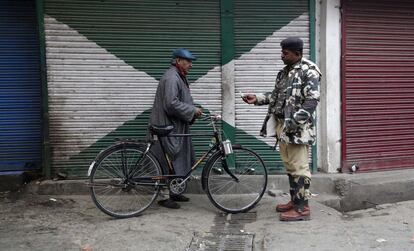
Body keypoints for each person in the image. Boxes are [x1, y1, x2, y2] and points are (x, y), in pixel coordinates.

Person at [242, 37, 321, 221]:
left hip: (297, 130)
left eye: (285, 53)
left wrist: (293, 122)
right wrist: (258, 98)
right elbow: (277, 97)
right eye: (282, 52)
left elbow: (311, 101)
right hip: (282, 128)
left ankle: (302, 209)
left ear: (297, 54)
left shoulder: (309, 71)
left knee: (299, 168)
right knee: (290, 166)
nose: (281, 56)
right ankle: (295, 201)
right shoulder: (284, 73)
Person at [149, 48, 203, 209]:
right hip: (165, 126)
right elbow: (171, 103)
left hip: (174, 126)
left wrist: (192, 111)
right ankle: (164, 196)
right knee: (164, 161)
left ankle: (174, 192)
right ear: (178, 61)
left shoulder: (178, 76)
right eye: (188, 61)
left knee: (175, 161)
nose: (191, 65)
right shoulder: (172, 77)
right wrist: (192, 110)